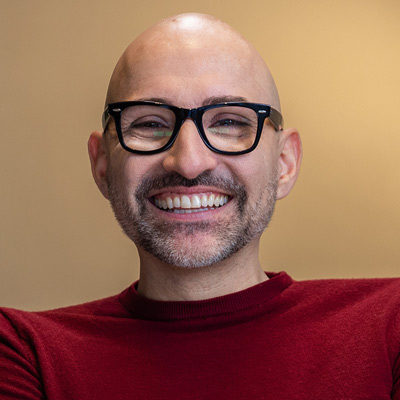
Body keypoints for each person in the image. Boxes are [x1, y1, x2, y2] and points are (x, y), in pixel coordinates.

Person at [1, 13, 399, 400]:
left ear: (284, 164)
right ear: (102, 164)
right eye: (150, 123)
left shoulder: (390, 325)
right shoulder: (25, 353)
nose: (189, 162)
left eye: (229, 122)